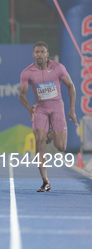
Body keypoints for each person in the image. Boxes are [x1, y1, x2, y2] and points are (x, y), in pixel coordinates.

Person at [19, 41, 77, 192]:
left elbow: (71, 86)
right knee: (39, 143)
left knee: (61, 147)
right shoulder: (27, 72)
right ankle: (45, 182)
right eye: (36, 52)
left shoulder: (58, 68)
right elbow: (21, 94)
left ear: (47, 54)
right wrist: (28, 107)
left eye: (42, 52)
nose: (39, 54)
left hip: (57, 106)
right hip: (41, 108)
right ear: (33, 54)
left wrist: (72, 110)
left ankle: (50, 135)